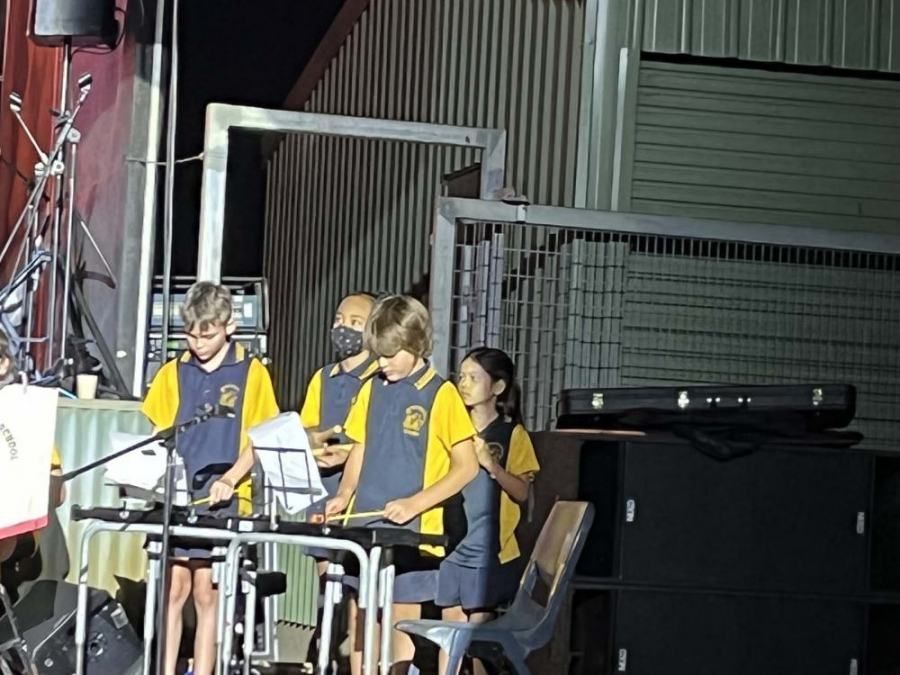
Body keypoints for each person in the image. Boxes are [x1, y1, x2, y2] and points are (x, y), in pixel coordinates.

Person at [325, 295, 479, 675]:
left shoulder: (441, 394)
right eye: (378, 355)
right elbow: (360, 446)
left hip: (411, 532)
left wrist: (416, 504)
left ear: (415, 345)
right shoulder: (371, 387)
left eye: (391, 355)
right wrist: (344, 494)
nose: (382, 363)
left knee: (399, 620)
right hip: (366, 527)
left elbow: (467, 467)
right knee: (362, 618)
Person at [142, 281, 279, 675]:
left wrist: (233, 478)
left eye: (207, 335)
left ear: (229, 327)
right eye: (190, 334)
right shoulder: (174, 371)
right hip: (180, 495)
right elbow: (158, 431)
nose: (198, 344)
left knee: (208, 592)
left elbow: (261, 436)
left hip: (224, 498)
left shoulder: (251, 372)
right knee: (173, 589)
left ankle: (204, 669)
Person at [436, 347, 541, 675]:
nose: (463, 384)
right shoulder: (452, 429)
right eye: (461, 376)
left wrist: (491, 465)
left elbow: (522, 492)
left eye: (473, 377)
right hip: (452, 544)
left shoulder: (512, 434)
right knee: (448, 629)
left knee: (477, 636)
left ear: (497, 387)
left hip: (491, 553)